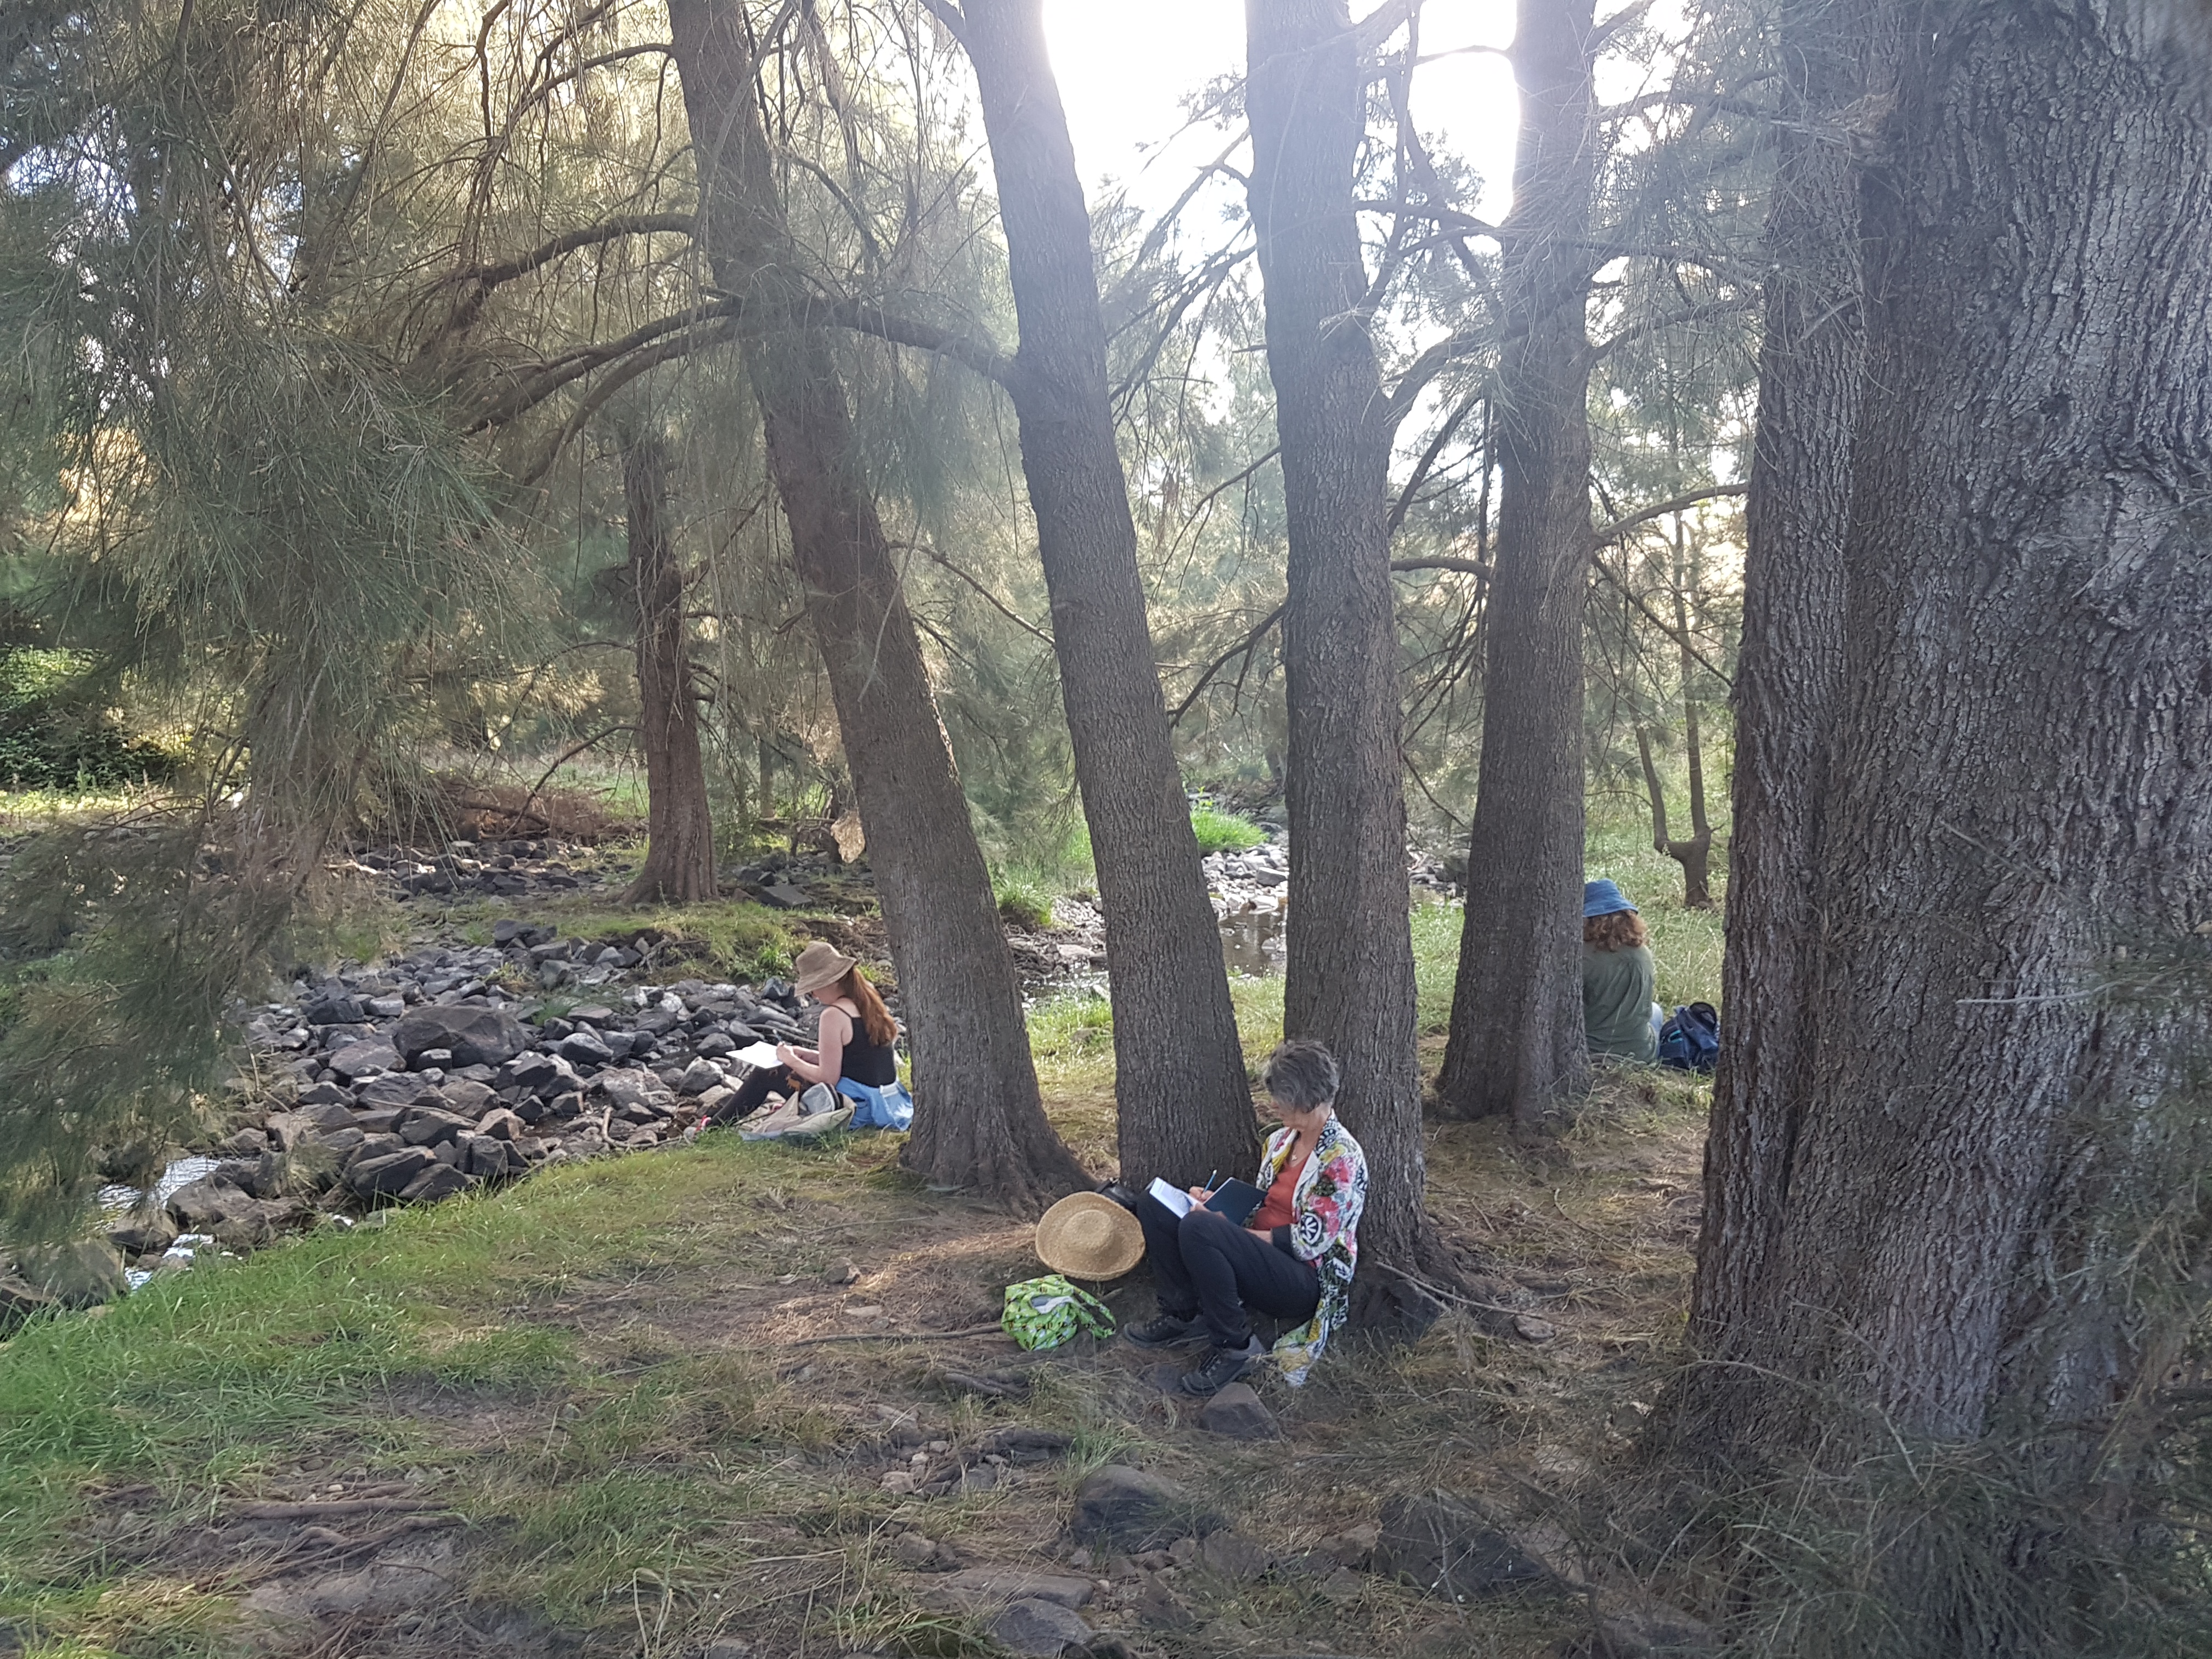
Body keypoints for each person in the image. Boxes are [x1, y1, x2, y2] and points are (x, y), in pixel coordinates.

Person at [1125, 1039, 1368, 1395]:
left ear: (1307, 1099)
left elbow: (1308, 1243)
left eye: (1281, 1099)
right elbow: (1264, 1204)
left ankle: (1236, 1346)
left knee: (1200, 1226)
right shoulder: (1283, 1140)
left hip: (1302, 1276)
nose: (1274, 1106)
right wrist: (1214, 1203)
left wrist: (1224, 1230)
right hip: (1260, 1250)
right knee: (1155, 1203)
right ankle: (1184, 1313)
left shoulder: (1341, 1159)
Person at [710, 940, 906, 1124]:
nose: (813, 994)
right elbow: (861, 1059)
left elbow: (828, 1078)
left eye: (814, 987)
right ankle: (715, 1124)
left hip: (856, 1109)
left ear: (832, 981)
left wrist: (790, 1060)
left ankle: (713, 1128)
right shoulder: (868, 1000)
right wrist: (810, 1056)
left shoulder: (834, 1015)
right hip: (885, 1101)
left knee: (768, 1071)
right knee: (785, 1067)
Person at [1583, 878, 1660, 1064]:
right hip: (1642, 1055)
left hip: (1593, 1052)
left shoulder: (1581, 956)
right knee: (1656, 1010)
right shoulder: (1644, 953)